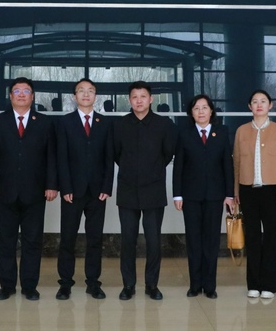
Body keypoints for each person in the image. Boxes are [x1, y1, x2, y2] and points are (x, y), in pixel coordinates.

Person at [0, 77, 58, 301]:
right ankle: (6, 286)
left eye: (26, 91)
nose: (22, 94)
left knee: (32, 241)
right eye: (17, 91)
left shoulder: (44, 122)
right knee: (5, 241)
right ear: (10, 96)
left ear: (32, 97)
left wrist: (52, 185)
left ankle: (29, 286)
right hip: (5, 191)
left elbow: (51, 156)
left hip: (35, 192)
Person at [113, 80, 177, 301]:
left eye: (143, 96)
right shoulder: (120, 125)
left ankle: (152, 285)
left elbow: (168, 153)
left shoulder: (164, 124)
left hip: (154, 190)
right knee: (127, 241)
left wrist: (151, 170)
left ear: (151, 99)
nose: (139, 101)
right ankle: (128, 285)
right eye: (134, 97)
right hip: (127, 190)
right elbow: (117, 154)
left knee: (153, 241)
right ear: (129, 100)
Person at [55, 78, 114, 300]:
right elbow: (61, 157)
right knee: (67, 238)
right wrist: (65, 187)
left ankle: (93, 282)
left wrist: (107, 186)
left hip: (98, 192)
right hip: (72, 191)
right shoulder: (64, 122)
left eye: (90, 91)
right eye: (81, 91)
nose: (86, 94)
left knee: (95, 239)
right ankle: (65, 283)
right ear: (75, 96)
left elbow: (109, 157)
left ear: (95, 96)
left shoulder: (105, 123)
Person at [172, 94, 234, 299]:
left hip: (215, 196)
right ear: (191, 112)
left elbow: (227, 165)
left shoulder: (222, 132)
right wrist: (177, 194)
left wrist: (229, 194)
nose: (201, 111)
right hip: (190, 196)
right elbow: (179, 166)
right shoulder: (184, 134)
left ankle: (210, 286)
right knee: (193, 241)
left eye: (204, 107)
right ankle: (194, 285)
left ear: (211, 111)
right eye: (196, 108)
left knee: (211, 241)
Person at [233, 90, 276, 300]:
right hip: (247, 190)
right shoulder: (241, 131)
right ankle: (253, 283)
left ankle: (269, 284)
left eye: (263, 101)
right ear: (249, 106)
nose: (259, 105)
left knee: (271, 237)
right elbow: (236, 165)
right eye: (255, 102)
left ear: (270, 105)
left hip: (272, 190)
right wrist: (236, 192)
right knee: (253, 237)